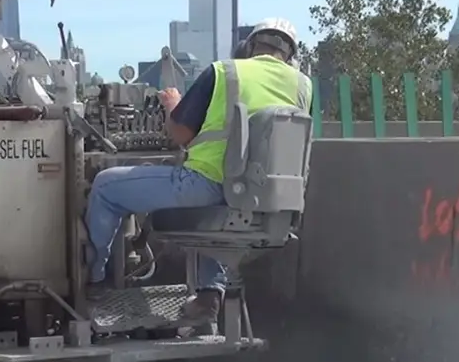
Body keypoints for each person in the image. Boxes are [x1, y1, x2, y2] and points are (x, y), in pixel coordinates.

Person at [84, 18, 313, 327]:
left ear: (249, 46)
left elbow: (180, 133)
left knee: (105, 186)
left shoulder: (226, 71)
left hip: (205, 184)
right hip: (267, 204)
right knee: (222, 213)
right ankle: (208, 295)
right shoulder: (303, 86)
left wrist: (173, 105)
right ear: (290, 55)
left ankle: (96, 281)